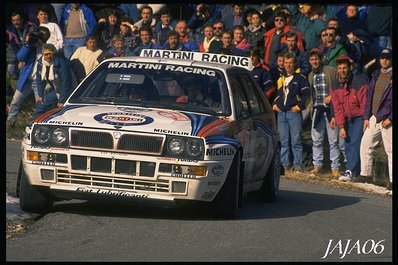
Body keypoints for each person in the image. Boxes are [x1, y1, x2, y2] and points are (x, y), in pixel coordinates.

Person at [330, 55, 368, 181]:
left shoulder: (358, 81)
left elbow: (364, 102)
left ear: (349, 68)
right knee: (347, 144)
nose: (342, 71)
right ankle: (354, 172)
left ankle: (350, 170)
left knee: (355, 143)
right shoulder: (335, 85)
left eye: (345, 68)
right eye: (340, 68)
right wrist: (341, 126)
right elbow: (338, 108)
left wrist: (365, 118)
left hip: (359, 117)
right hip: (346, 118)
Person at [272, 52, 311, 172]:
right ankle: (284, 165)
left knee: (296, 140)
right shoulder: (281, 79)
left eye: (291, 63)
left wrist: (299, 107)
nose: (288, 65)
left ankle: (298, 165)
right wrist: (274, 105)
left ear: (295, 64)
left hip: (294, 113)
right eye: (286, 63)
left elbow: (307, 95)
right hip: (281, 113)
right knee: (283, 141)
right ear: (283, 64)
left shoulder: (300, 78)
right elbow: (278, 94)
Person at [6, 26, 50, 131]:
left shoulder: (48, 48)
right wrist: (28, 45)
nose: (38, 39)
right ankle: (10, 121)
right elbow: (20, 57)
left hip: (40, 82)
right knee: (15, 100)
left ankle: (39, 126)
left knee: (40, 105)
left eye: (41, 37)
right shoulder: (31, 47)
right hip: (27, 79)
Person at [360, 48, 392, 188]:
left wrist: (390, 118)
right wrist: (367, 117)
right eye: (382, 58)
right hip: (374, 116)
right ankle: (366, 175)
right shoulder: (376, 74)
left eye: (387, 58)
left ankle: (391, 181)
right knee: (365, 144)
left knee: (390, 151)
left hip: (388, 119)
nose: (384, 60)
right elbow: (369, 97)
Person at [307, 49, 341, 178]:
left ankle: (335, 167)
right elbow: (312, 95)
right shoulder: (311, 75)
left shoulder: (330, 71)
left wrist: (332, 96)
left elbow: (338, 86)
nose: (314, 62)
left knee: (333, 140)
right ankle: (317, 165)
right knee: (316, 140)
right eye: (312, 60)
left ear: (320, 59)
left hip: (330, 110)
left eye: (316, 59)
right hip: (317, 109)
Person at [33, 43, 73, 118]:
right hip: (54, 88)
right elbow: (40, 80)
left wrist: (61, 100)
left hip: (65, 89)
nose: (48, 56)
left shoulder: (61, 64)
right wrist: (40, 95)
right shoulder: (41, 64)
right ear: (43, 54)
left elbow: (66, 83)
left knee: (60, 110)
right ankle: (36, 124)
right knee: (40, 106)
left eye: (50, 54)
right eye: (46, 54)